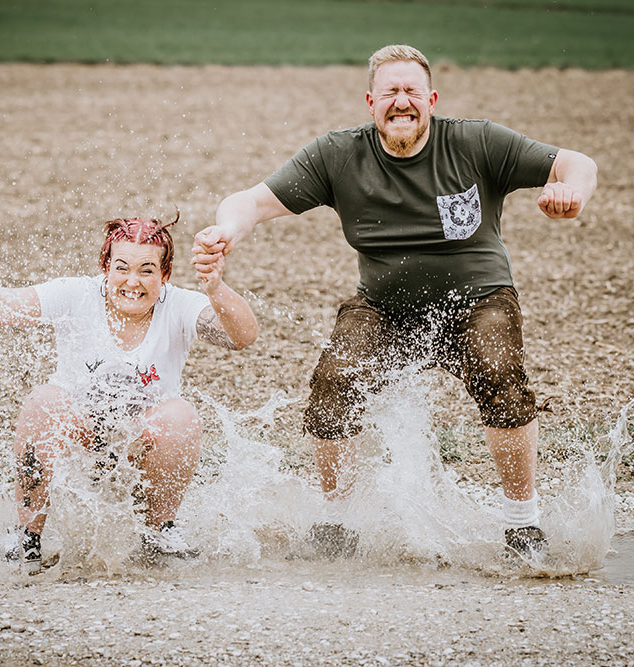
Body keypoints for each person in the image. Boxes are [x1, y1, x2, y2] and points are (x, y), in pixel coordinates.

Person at [193, 44, 597, 557]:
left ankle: (523, 521)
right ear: (370, 103)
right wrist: (226, 229)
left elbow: (577, 164)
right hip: (383, 307)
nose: (401, 101)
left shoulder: (477, 142)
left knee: (498, 372)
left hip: (479, 300)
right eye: (390, 92)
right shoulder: (338, 155)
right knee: (334, 382)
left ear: (431, 99)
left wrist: (573, 194)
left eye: (411, 91)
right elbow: (250, 201)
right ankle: (336, 522)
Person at [0, 212, 257, 573]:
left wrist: (215, 289)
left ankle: (160, 531)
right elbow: (0, 305)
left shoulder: (177, 304)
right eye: (122, 268)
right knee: (44, 402)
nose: (133, 281)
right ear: (106, 267)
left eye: (146, 270)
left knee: (180, 416)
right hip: (80, 433)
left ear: (164, 274)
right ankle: (26, 533)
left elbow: (243, 336)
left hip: (142, 441)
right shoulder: (78, 294)